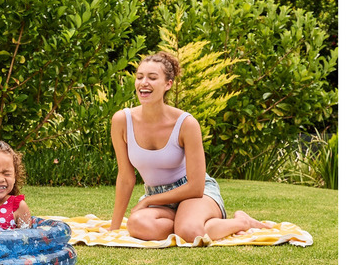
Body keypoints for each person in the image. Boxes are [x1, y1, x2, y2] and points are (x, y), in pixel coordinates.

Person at [107, 51, 273, 242]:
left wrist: (148, 200)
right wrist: (113, 228)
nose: (144, 82)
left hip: (194, 193)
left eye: (152, 78)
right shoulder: (122, 120)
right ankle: (188, 223)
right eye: (139, 77)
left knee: (190, 233)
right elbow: (126, 178)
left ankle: (242, 222)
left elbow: (196, 186)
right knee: (137, 225)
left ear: (168, 84)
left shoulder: (186, 123)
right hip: (159, 197)